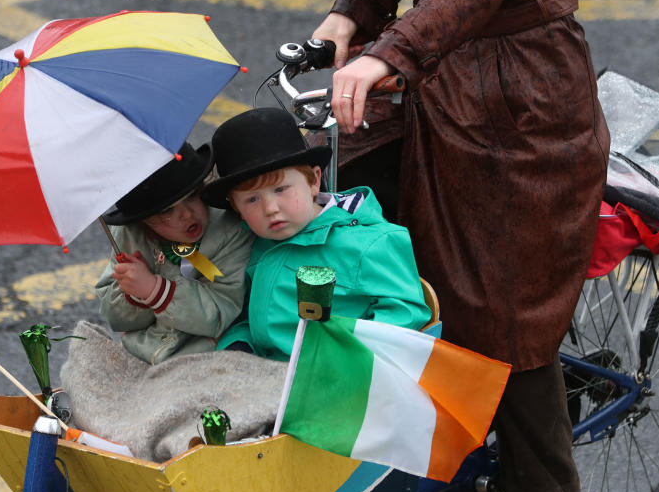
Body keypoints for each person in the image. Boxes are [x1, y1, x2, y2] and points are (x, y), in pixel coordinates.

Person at [311, 0, 611, 492]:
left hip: (523, 89)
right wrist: (349, 14)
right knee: (335, 214)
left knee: (496, 292)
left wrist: (388, 49)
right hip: (447, 73)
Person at [201, 107, 431, 360]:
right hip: (264, 373)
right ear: (236, 209)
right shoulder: (257, 243)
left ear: (314, 181)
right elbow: (249, 315)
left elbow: (407, 313)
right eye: (252, 199)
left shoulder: (370, 244)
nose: (270, 209)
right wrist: (238, 345)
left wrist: (349, 360)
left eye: (280, 189)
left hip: (335, 378)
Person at [96, 142, 254, 365]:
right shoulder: (129, 236)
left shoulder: (228, 230)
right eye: (167, 211)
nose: (188, 214)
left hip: (210, 351)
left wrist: (155, 290)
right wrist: (134, 293)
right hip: (143, 351)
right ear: (142, 219)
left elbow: (223, 307)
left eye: (192, 196)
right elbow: (116, 319)